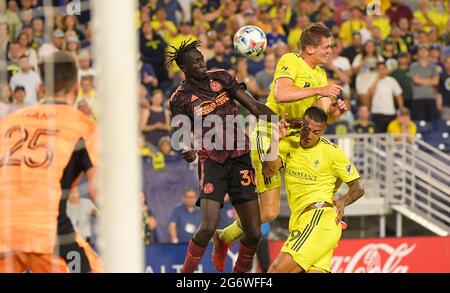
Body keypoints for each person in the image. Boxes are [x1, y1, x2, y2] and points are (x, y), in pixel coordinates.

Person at [215, 23, 347, 272]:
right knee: (268, 212)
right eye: (326, 46)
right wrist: (322, 90)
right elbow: (282, 93)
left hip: (296, 140)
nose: (331, 50)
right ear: (309, 48)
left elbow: (318, 116)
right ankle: (223, 237)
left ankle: (313, 243)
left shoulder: (320, 74)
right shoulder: (290, 60)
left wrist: (335, 113)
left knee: (316, 190)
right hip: (270, 133)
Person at [168, 40, 281, 273]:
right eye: (196, 62)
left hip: (240, 155)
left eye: (201, 59)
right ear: (184, 69)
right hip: (212, 162)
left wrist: (280, 120)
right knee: (207, 227)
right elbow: (179, 133)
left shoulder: (221, 77)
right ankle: (184, 274)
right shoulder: (179, 98)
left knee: (253, 232)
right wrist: (184, 148)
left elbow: (253, 106)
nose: (202, 63)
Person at [0, 52, 101, 273]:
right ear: (76, 88)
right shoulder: (84, 126)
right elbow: (99, 192)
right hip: (46, 232)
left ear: (41, 89)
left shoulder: (7, 122)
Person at [264, 107, 365, 273]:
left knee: (276, 271)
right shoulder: (289, 142)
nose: (309, 135)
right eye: (306, 129)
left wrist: (343, 201)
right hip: (304, 222)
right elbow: (268, 171)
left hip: (319, 218)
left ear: (323, 130)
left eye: (316, 132)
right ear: (301, 123)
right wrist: (275, 140)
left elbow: (358, 187)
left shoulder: (332, 152)